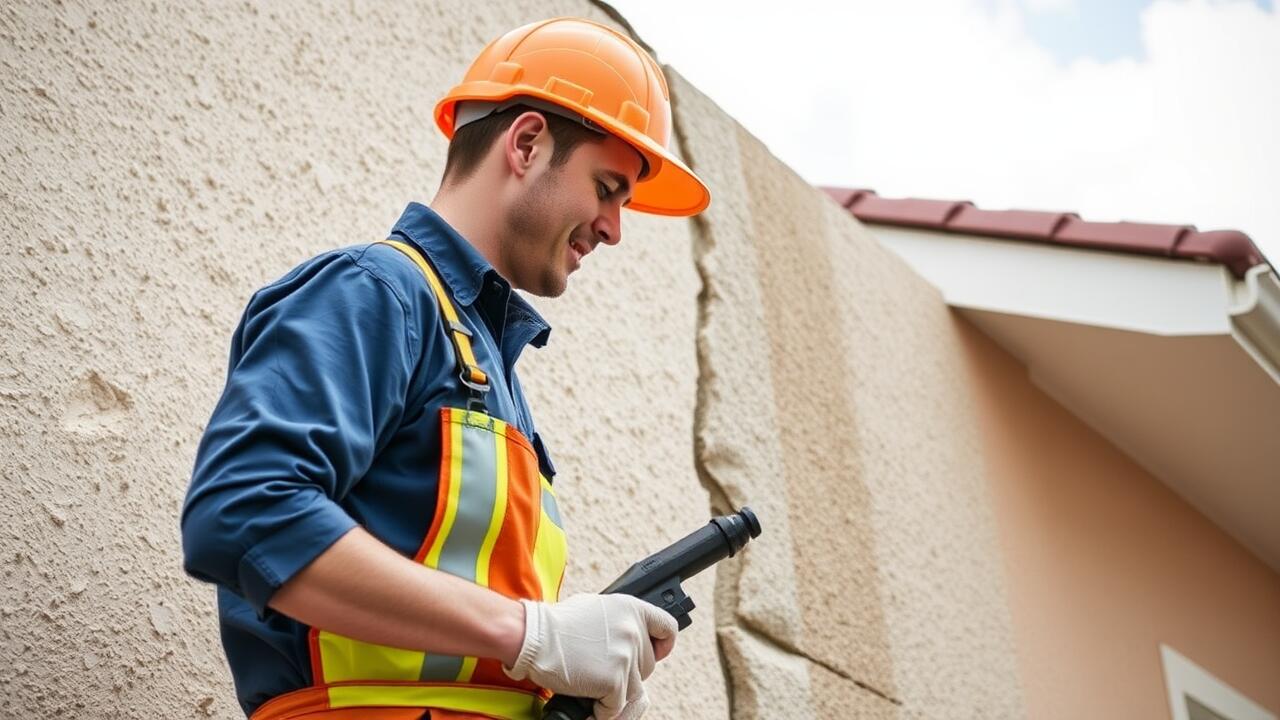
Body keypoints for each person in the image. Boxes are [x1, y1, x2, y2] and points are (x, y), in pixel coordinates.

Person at [180, 16, 710, 720]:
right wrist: (530, 634)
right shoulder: (376, 291)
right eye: (608, 187)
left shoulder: (493, 371)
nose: (615, 226)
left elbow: (469, 645)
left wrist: (562, 685)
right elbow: (243, 512)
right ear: (526, 143)